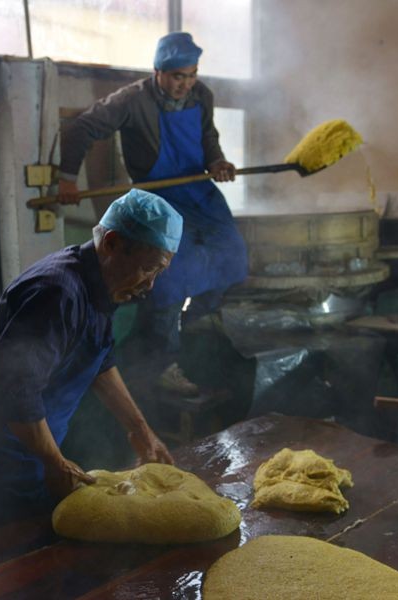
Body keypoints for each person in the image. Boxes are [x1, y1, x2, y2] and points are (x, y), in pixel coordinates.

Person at [0, 189, 182, 537]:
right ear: (111, 243)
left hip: (32, 454)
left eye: (159, 272)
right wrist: (55, 461)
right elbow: (15, 391)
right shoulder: (57, 291)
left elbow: (98, 361)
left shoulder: (99, 287)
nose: (150, 284)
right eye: (148, 268)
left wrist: (140, 430)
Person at [57, 31, 248, 396]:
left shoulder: (202, 95)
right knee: (170, 273)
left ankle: (199, 321)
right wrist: (67, 178)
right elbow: (82, 127)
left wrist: (217, 162)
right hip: (159, 196)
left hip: (198, 190)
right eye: (178, 76)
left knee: (233, 254)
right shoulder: (132, 100)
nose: (186, 84)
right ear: (158, 71)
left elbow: (208, 137)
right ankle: (160, 363)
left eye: (192, 75)